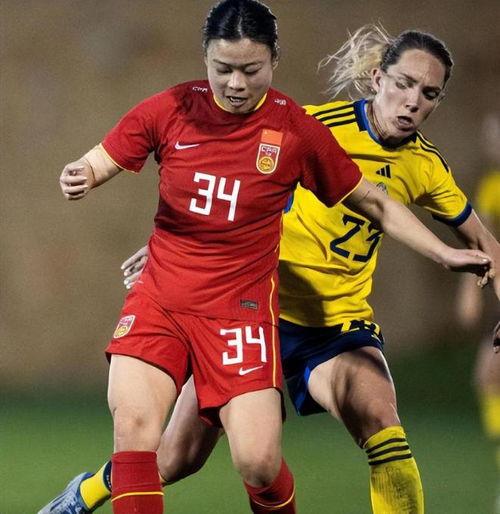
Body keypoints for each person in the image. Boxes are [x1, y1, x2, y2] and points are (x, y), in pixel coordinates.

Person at [38, 15, 497, 514]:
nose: (412, 101)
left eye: (428, 94)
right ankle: (86, 493)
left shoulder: (423, 167)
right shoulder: (314, 125)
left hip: (333, 327)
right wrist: (178, 244)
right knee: (174, 458)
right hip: (250, 309)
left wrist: (458, 263)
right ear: (377, 78)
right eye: (404, 84)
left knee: (379, 426)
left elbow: (480, 243)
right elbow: (233, 191)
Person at [456, 112, 500, 513]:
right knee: (489, 377)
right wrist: (470, 291)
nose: (493, 143)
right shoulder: (491, 186)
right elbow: (481, 240)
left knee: (489, 374)